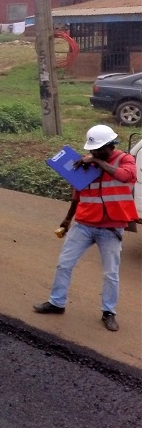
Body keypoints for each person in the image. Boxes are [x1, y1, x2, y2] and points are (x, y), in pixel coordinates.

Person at [33, 125, 137, 332]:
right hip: (84, 224)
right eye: (93, 150)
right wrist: (67, 219)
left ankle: (109, 312)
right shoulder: (84, 161)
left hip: (111, 226)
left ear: (111, 145)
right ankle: (56, 303)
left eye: (100, 150)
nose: (95, 153)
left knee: (110, 273)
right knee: (64, 264)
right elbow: (77, 193)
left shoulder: (125, 159)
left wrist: (97, 161)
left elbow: (125, 177)